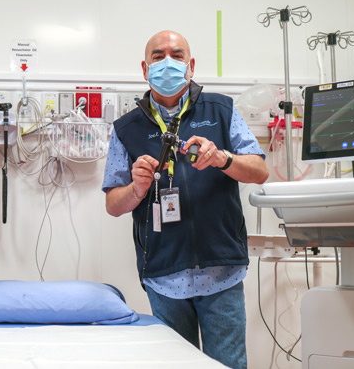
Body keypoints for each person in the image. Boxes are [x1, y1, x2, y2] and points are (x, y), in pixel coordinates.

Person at [102, 30, 268, 369]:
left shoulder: (221, 109)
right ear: (144, 69)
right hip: (164, 275)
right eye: (158, 55)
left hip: (222, 269)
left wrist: (223, 158)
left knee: (228, 364)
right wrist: (136, 189)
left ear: (190, 66)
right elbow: (113, 205)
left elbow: (260, 171)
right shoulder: (126, 128)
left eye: (177, 56)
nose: (168, 62)